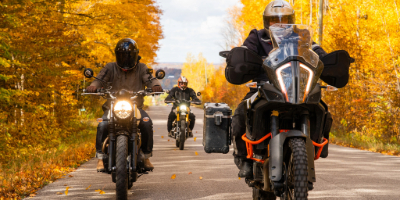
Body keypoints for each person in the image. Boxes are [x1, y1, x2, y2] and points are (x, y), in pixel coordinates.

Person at [232, 0, 328, 178]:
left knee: (323, 108)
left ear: (291, 20)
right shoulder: (257, 36)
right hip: (264, 85)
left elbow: (315, 51)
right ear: (266, 22)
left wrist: (327, 60)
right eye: (274, 20)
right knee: (240, 112)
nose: (279, 24)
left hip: (297, 85)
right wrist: (239, 57)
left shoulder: (301, 35)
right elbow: (246, 50)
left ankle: (318, 144)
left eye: (284, 19)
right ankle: (243, 158)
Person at [86, 38, 163, 172]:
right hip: (112, 106)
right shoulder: (110, 67)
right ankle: (100, 158)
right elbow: (100, 78)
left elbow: (150, 78)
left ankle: (145, 156)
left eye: (129, 55)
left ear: (135, 55)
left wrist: (155, 85)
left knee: (146, 123)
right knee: (103, 124)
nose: (126, 59)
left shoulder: (142, 67)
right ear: (117, 55)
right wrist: (93, 87)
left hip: (135, 107)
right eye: (122, 55)